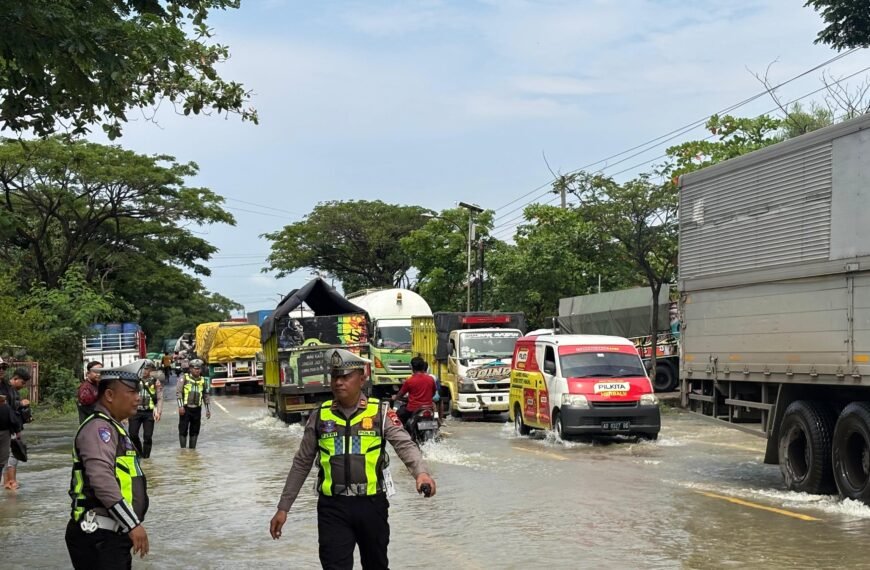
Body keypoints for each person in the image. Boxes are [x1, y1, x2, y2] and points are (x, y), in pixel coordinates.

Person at [269, 348, 436, 570]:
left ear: (362, 378)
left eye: (346, 376)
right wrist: (283, 507)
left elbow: (405, 445)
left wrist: (421, 473)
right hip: (332, 507)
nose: (339, 382)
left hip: (371, 505)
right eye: (335, 376)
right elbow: (301, 462)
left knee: (376, 565)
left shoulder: (380, 413)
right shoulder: (320, 415)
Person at [65, 366, 150, 569]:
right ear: (110, 395)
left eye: (138, 392)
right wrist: (132, 523)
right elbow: (101, 480)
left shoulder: (114, 427)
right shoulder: (99, 429)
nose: (137, 398)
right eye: (131, 392)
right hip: (99, 537)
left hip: (111, 535)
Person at [1, 367, 32, 490]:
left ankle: (7, 482)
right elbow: (7, 409)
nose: (23, 386)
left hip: (12, 426)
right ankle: (11, 482)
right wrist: (21, 404)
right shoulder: (7, 390)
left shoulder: (13, 391)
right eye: (22, 383)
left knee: (6, 456)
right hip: (9, 427)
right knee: (13, 455)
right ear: (15, 378)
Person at [128, 362, 163, 459]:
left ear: (151, 370)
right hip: (135, 411)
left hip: (149, 412)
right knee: (133, 434)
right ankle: (139, 453)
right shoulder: (134, 381)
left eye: (147, 369)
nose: (144, 371)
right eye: (143, 369)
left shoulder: (156, 381)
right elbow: (127, 396)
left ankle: (146, 458)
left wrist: (158, 411)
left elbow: (160, 398)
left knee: (147, 436)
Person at [392, 356, 437, 427]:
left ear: (412, 368)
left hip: (413, 409)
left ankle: (403, 434)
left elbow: (400, 394)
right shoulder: (431, 379)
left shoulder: (409, 381)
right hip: (429, 408)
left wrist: (395, 398)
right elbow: (433, 393)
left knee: (398, 417)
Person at [175, 359, 210, 449]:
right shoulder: (184, 378)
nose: (197, 370)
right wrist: (180, 406)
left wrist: (208, 410)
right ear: (190, 369)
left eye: (199, 369)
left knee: (195, 431)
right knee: (183, 430)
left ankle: (192, 452)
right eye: (195, 368)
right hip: (186, 409)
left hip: (197, 409)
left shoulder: (203, 381)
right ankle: (183, 451)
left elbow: (206, 395)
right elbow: (178, 393)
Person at [0, 393, 22, 475]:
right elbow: (14, 420)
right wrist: (18, 431)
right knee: (3, 459)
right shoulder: (6, 408)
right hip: (4, 433)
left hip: (5, 433)